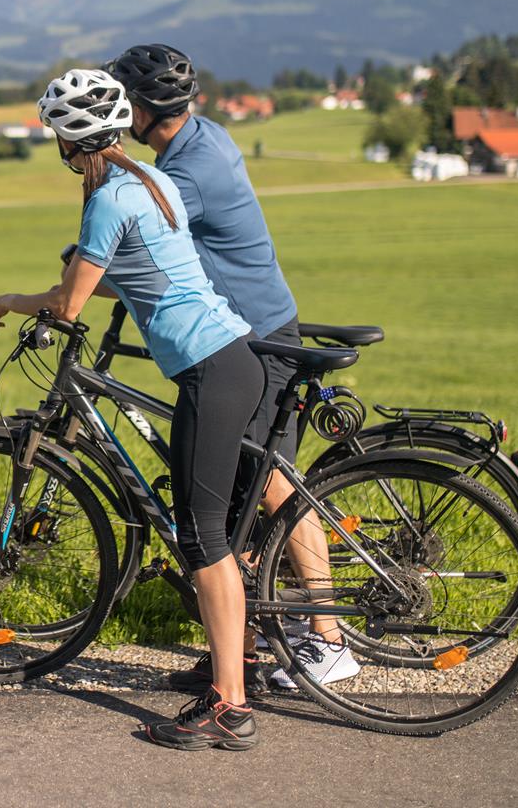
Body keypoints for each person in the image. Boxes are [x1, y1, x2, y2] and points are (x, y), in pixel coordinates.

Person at [0, 68, 264, 751]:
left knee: (202, 540)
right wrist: (51, 293)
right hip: (232, 357)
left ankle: (230, 706)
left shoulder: (108, 199)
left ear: (68, 141)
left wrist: (8, 302)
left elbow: (70, 304)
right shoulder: (151, 182)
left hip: (210, 370)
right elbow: (111, 282)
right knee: (211, 530)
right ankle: (239, 662)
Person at [106, 43, 358, 693]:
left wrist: (80, 265)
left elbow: (144, 246)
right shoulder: (199, 138)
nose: (118, 113)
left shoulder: (187, 176)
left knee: (270, 483)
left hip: (253, 337)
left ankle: (327, 641)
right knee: (241, 496)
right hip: (249, 326)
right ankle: (239, 654)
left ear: (144, 108)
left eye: (123, 103)